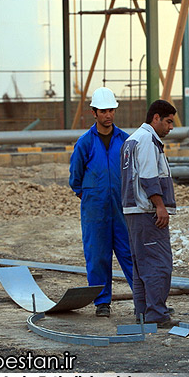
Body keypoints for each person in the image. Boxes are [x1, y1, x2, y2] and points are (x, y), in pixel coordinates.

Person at [69, 86, 134, 318]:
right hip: (94, 208)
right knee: (97, 255)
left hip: (121, 206)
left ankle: (143, 299)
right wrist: (87, 195)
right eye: (103, 111)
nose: (108, 115)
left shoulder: (125, 140)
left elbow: (133, 171)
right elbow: (75, 176)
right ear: (94, 113)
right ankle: (102, 302)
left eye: (111, 110)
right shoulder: (85, 143)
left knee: (129, 253)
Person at [120, 100, 179, 328]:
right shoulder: (146, 140)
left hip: (134, 211)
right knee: (159, 264)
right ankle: (156, 314)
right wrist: (160, 206)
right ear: (155, 118)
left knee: (142, 265)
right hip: (147, 212)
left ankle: (144, 312)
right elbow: (147, 177)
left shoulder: (131, 139)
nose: (170, 127)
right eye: (168, 122)